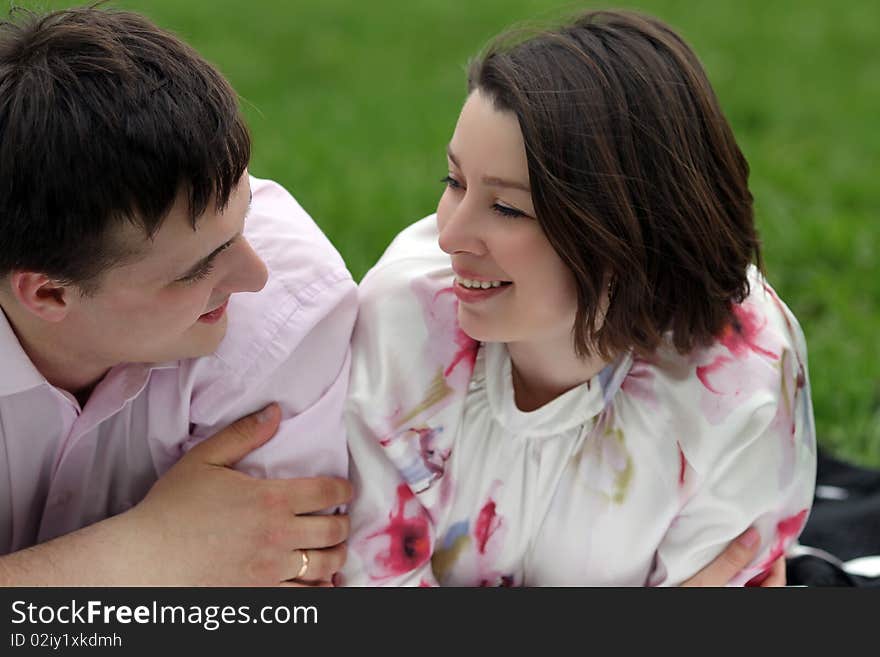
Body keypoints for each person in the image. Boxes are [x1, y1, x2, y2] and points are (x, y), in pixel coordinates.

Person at [339, 9, 815, 586]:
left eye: (508, 208)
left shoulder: (738, 382)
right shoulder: (406, 316)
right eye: (454, 182)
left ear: (629, 233)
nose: (449, 236)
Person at [0, 6, 354, 585]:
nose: (254, 275)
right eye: (199, 269)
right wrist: (145, 554)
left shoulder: (286, 309)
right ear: (49, 294)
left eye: (242, 222)